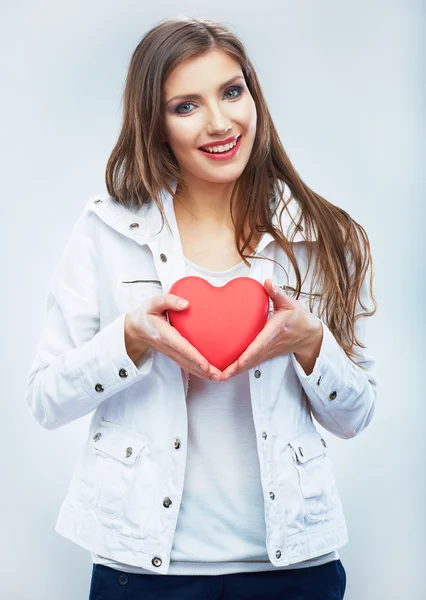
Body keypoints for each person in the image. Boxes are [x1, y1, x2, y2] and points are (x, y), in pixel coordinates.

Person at [26, 15, 377, 600]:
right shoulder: (106, 232)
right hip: (142, 573)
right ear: (155, 125)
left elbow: (356, 415)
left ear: (253, 95)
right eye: (185, 106)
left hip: (294, 573)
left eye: (231, 92)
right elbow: (44, 400)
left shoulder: (319, 236)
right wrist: (130, 341)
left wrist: (312, 343)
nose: (220, 122)